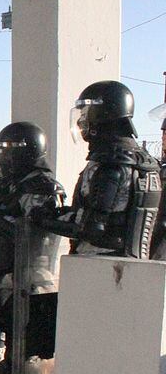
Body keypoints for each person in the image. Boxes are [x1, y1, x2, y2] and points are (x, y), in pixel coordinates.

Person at [0, 121, 66, 374]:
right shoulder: (14, 185)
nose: (1, 162)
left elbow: (35, 228)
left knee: (23, 355)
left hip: (34, 283)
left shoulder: (42, 186)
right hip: (8, 279)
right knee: (4, 352)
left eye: (7, 155)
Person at [40, 80, 162, 258]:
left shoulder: (111, 164)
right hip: (131, 264)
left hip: (101, 265)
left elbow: (92, 227)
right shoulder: (144, 162)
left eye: (85, 113)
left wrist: (44, 218)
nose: (82, 121)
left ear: (101, 113)